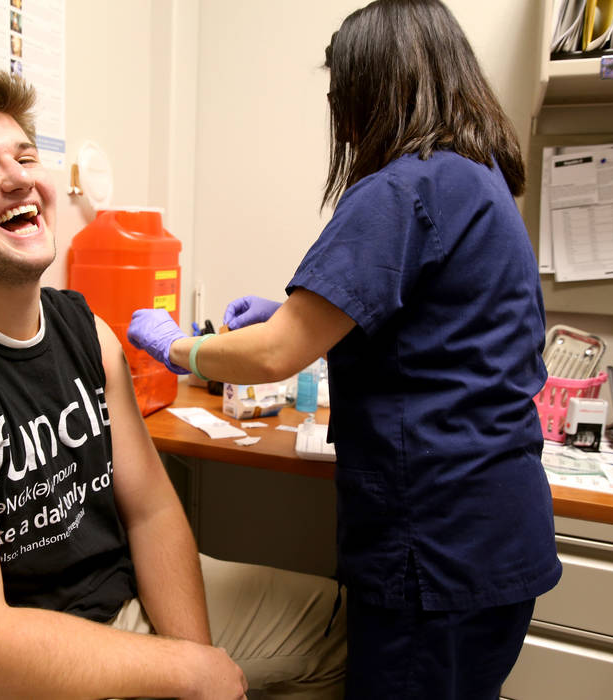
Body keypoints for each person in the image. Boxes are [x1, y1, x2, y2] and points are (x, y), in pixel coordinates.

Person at [0, 67, 345, 700]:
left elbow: (152, 511)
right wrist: (188, 674)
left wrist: (194, 656)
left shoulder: (83, 329)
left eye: (24, 155)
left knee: (349, 630)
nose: (18, 176)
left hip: (118, 609)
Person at [128, 1, 562, 698]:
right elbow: (431, 323)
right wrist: (297, 311)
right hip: (500, 534)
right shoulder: (477, 179)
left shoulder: (404, 187)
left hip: (436, 547)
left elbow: (274, 357)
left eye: (342, 97)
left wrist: (178, 347)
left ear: (371, 89)